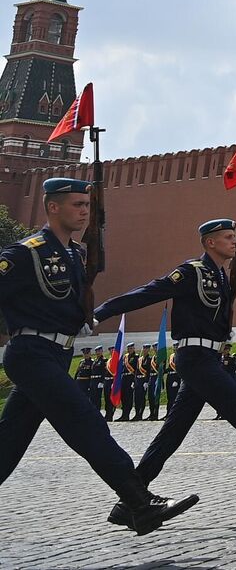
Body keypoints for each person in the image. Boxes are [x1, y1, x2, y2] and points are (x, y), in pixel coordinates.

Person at [0, 177, 198, 535]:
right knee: (87, 422)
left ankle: (138, 504)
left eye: (87, 205)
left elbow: (67, 302)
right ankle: (139, 502)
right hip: (31, 352)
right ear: (52, 207)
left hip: (57, 354)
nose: (84, 211)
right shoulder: (24, 253)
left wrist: (84, 319)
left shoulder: (76, 254)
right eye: (76, 204)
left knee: (9, 442)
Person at [92, 217, 236, 501]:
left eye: (234, 236)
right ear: (210, 242)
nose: (234, 242)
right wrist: (99, 313)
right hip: (194, 356)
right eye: (228, 237)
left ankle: (133, 495)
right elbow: (148, 293)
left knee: (173, 431)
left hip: (209, 357)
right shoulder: (191, 272)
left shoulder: (220, 276)